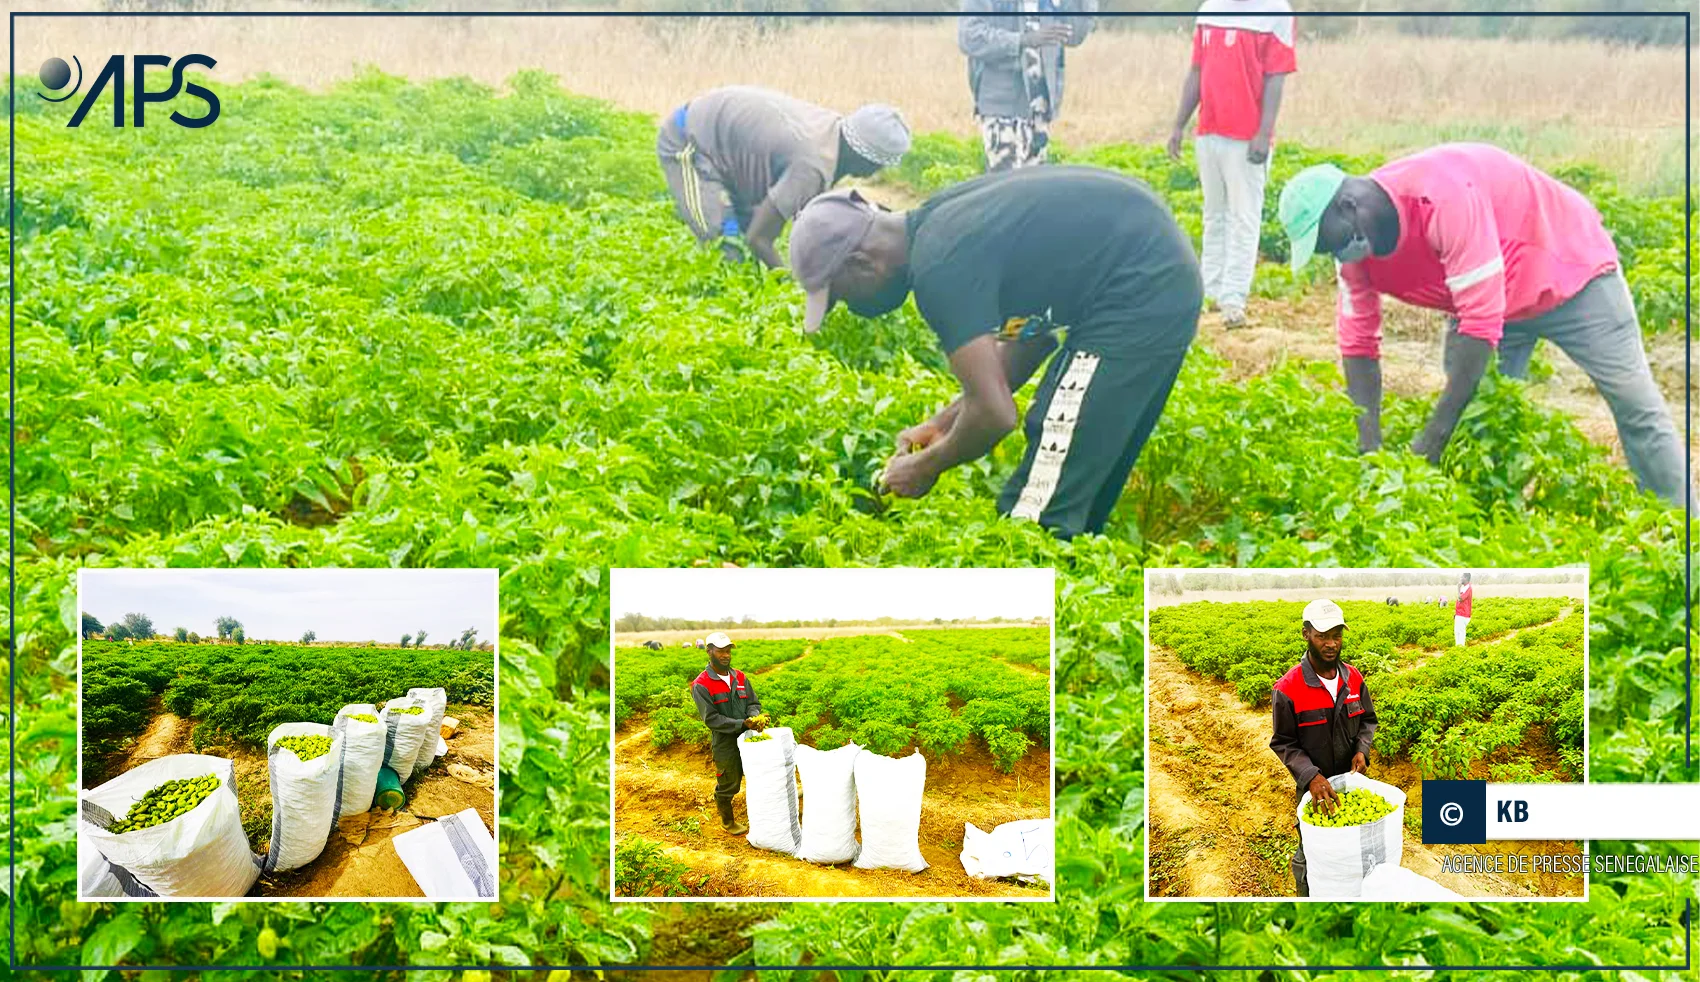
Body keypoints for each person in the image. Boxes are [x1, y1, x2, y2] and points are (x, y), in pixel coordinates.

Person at [787, 166, 1203, 539]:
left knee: (1035, 513)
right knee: (1074, 486)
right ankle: (1076, 610)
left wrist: (927, 466)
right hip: (1159, 277)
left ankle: (1037, 610)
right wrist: (942, 423)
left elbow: (995, 415)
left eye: (840, 296)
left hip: (1138, 289)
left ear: (861, 263)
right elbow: (1031, 340)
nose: (853, 309)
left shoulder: (940, 268)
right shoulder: (943, 226)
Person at [1277, 143, 1692, 508]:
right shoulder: (1355, 256)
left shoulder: (1441, 195)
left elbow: (1478, 325)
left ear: (1348, 207)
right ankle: (1490, 513)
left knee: (1635, 404)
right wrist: (1370, 448)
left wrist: (1432, 439)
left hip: (1569, 273)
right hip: (1488, 295)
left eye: (1328, 240)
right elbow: (1358, 344)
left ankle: (1681, 534)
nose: (1332, 252)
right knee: (1479, 418)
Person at [656, 86, 912, 268]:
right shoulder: (811, 166)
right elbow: (759, 239)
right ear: (864, 156)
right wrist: (790, 288)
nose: (876, 172)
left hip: (724, 150)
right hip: (690, 142)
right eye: (878, 164)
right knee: (727, 245)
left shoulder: (833, 132)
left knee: (745, 242)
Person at [1167, 0, 1297, 329]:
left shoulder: (1275, 10)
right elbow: (1196, 71)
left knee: (1244, 217)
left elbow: (1276, 78)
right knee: (1214, 215)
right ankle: (1209, 292)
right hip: (1209, 131)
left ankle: (1233, 300)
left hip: (1246, 135)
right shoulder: (1209, 7)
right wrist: (1179, 124)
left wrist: (1264, 132)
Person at [1270, 598, 1377, 898]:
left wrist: (1362, 749)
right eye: (1322, 635)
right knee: (1311, 853)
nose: (1331, 644)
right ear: (1306, 634)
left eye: (1337, 635)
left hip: (1352, 784)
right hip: (1313, 789)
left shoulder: (1353, 678)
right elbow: (1283, 742)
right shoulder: (1288, 688)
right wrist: (1311, 776)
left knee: (1353, 848)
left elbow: (1368, 720)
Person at [958, 0, 1098, 172]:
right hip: (1002, 108)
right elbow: (969, 36)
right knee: (1005, 189)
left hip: (1040, 111)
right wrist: (1023, 40)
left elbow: (1075, 34)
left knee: (1033, 194)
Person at [689, 632, 768, 835]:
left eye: (728, 651)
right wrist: (742, 724)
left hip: (749, 737)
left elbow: (753, 702)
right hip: (725, 741)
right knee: (728, 783)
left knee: (760, 775)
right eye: (720, 651)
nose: (725, 655)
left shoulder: (740, 677)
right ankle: (727, 821)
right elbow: (711, 719)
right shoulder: (702, 684)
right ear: (709, 652)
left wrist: (754, 716)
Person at [1455, 572, 1473, 647]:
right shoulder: (1464, 587)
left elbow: (1460, 599)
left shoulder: (1468, 588)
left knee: (1460, 633)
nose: (1460, 579)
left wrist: (1458, 588)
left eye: (1462, 577)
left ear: (1466, 578)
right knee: (1457, 632)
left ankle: (1461, 648)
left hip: (1463, 614)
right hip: (1459, 613)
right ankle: (1458, 648)